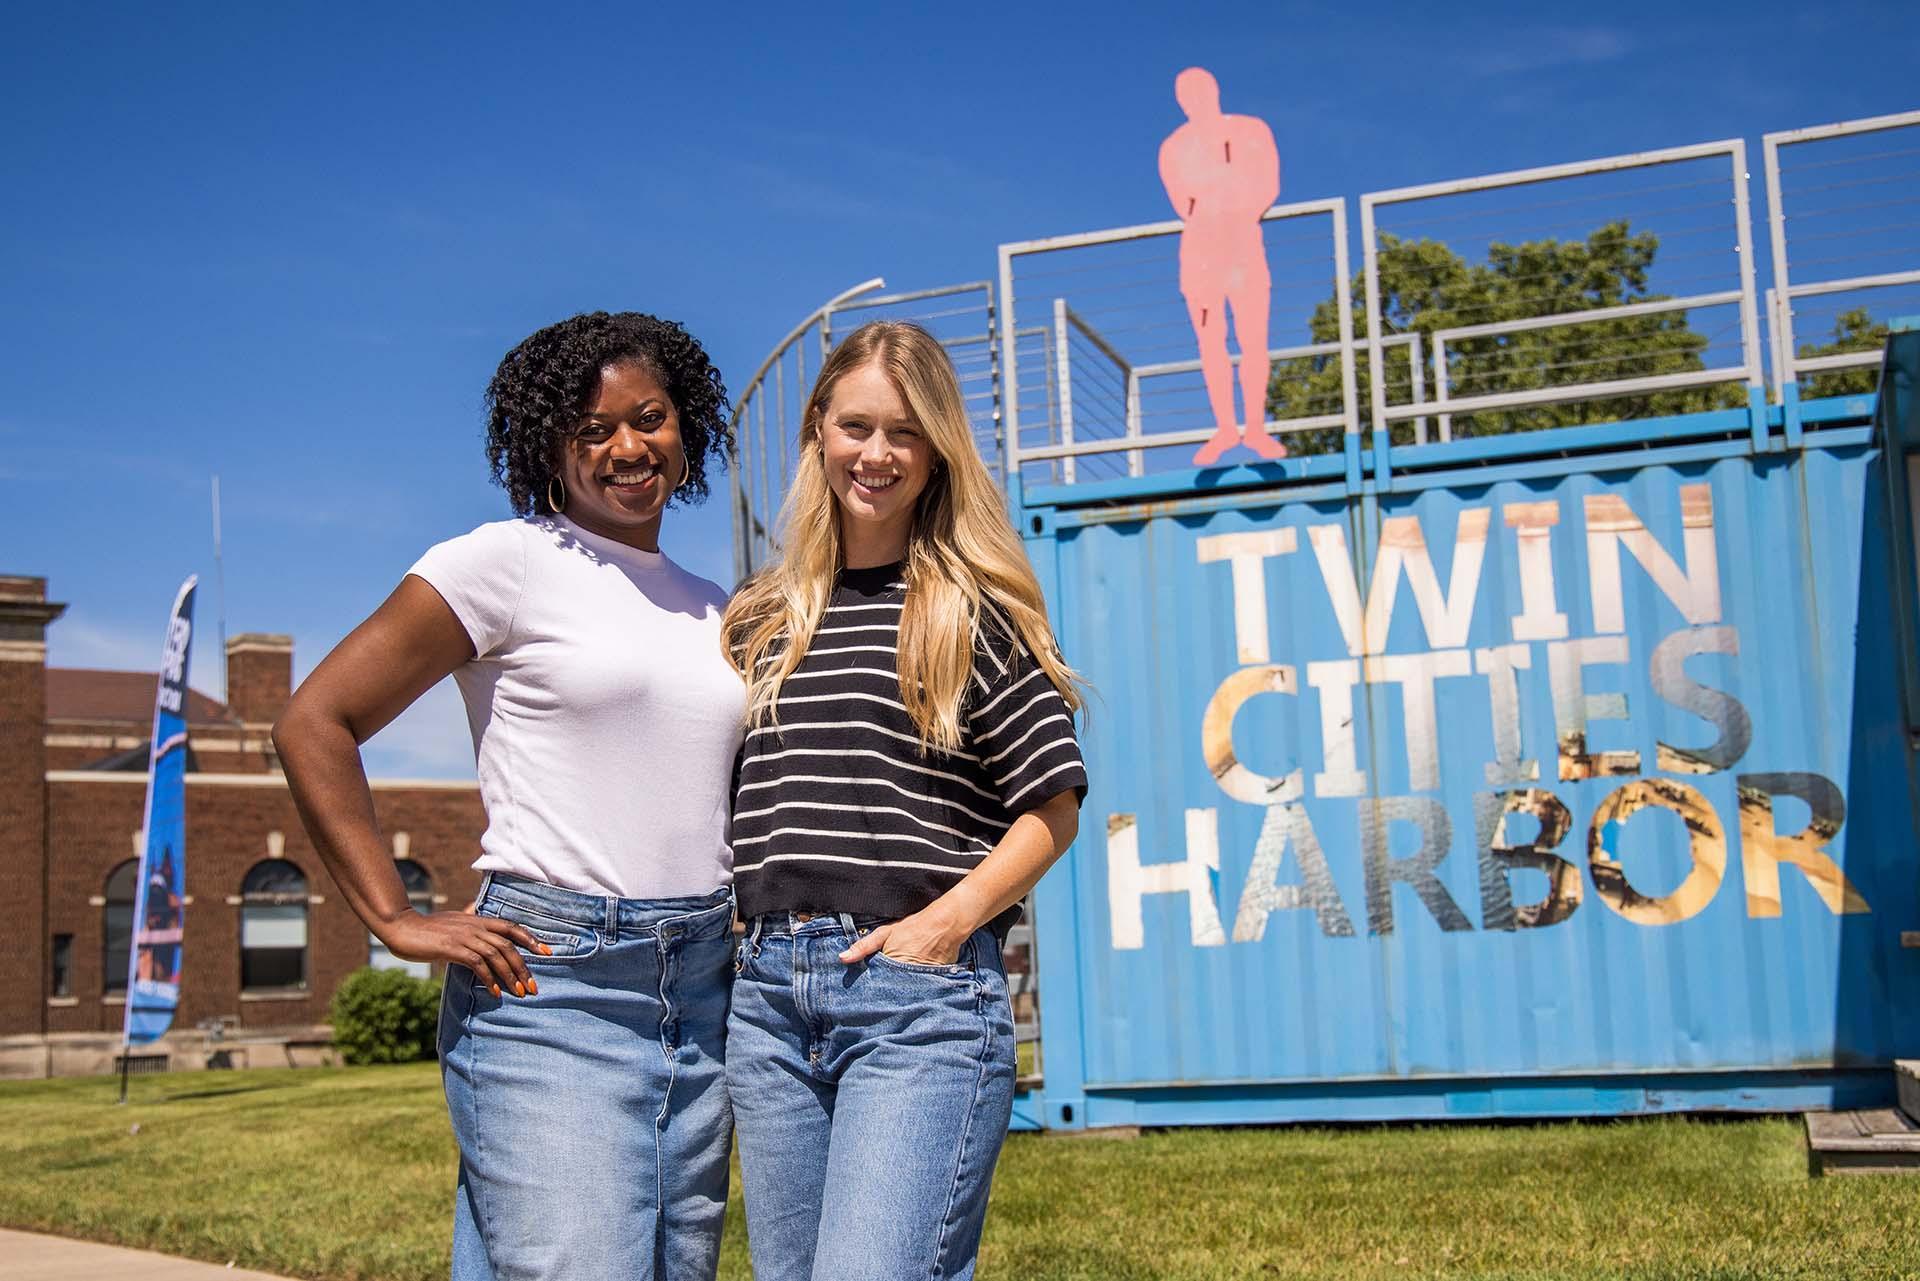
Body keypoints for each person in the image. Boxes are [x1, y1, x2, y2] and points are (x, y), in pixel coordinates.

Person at [272, 312, 743, 1281]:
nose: (627, 448)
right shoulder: (505, 563)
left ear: (685, 424)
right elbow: (315, 722)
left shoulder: (718, 606)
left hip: (702, 997)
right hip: (552, 983)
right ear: (549, 445)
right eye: (593, 431)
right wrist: (394, 918)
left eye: (648, 418)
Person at [721, 320, 1088, 1281]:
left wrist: (947, 923)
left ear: (936, 453)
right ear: (818, 432)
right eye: (856, 426)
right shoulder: (761, 620)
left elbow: (1052, 806)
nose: (876, 453)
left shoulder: (974, 609)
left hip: (916, 1002)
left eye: (905, 432)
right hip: (765, 1006)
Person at [1158, 65, 1288, 466]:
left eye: (1202, 90)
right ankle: (1227, 429)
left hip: (1244, 247)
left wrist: (1231, 205)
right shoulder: (1175, 147)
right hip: (1200, 255)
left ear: (1215, 90)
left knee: (1253, 339)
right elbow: (1183, 201)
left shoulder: (1252, 131)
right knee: (1211, 341)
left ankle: (1254, 427)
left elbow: (1268, 185)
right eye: (1188, 94)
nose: (1196, 99)